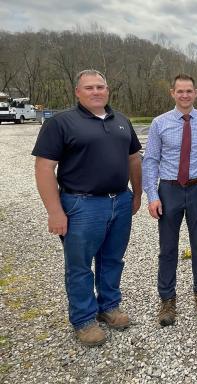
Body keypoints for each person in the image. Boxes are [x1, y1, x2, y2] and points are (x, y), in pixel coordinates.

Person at [32, 69, 142, 346]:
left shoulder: (122, 122)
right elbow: (44, 167)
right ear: (77, 92)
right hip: (81, 205)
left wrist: (136, 194)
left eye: (100, 87)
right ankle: (83, 319)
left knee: (113, 258)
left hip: (120, 200)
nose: (96, 92)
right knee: (79, 266)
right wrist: (55, 211)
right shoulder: (61, 123)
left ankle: (109, 307)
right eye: (89, 87)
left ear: (108, 90)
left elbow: (134, 160)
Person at [142, 74, 197, 326]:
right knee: (168, 248)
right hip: (170, 189)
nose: (185, 95)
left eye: (189, 91)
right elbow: (150, 160)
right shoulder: (159, 123)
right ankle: (167, 299)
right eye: (180, 91)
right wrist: (152, 196)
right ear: (172, 93)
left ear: (196, 92)